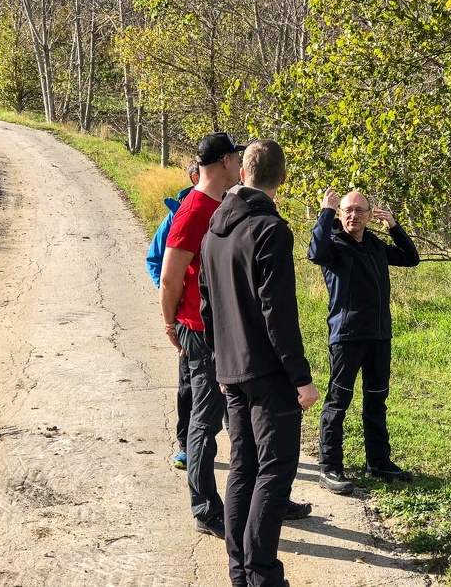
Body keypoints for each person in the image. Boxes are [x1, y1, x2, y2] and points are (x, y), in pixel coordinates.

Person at [199, 139, 319, 587]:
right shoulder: (271, 229)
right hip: (268, 374)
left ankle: (241, 573)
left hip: (231, 370)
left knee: (243, 468)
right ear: (282, 179)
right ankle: (262, 575)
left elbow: (207, 306)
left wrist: (221, 356)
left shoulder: (214, 230)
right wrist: (300, 378)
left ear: (243, 172)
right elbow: (278, 312)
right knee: (274, 470)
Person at [307, 187, 420, 495]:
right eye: (347, 210)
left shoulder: (374, 245)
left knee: (376, 400)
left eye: (359, 210)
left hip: (379, 335)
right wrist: (325, 212)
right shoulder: (332, 244)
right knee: (338, 402)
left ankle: (379, 461)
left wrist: (395, 227)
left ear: (370, 215)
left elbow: (411, 258)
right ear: (340, 214)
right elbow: (314, 253)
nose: (353, 215)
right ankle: (330, 467)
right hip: (347, 337)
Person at [160, 132, 244, 538]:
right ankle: (206, 508)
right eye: (237, 159)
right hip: (200, 333)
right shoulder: (194, 209)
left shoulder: (222, 203)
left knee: (243, 419)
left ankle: (263, 500)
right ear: (226, 162)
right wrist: (169, 323)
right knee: (204, 423)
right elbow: (170, 277)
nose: (240, 166)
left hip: (227, 331)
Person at [146, 159, 198, 470]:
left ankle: (239, 442)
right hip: (189, 319)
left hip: (221, 318)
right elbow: (156, 261)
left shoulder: (230, 208)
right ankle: (185, 445)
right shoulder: (178, 215)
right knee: (189, 385)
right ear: (196, 176)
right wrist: (172, 299)